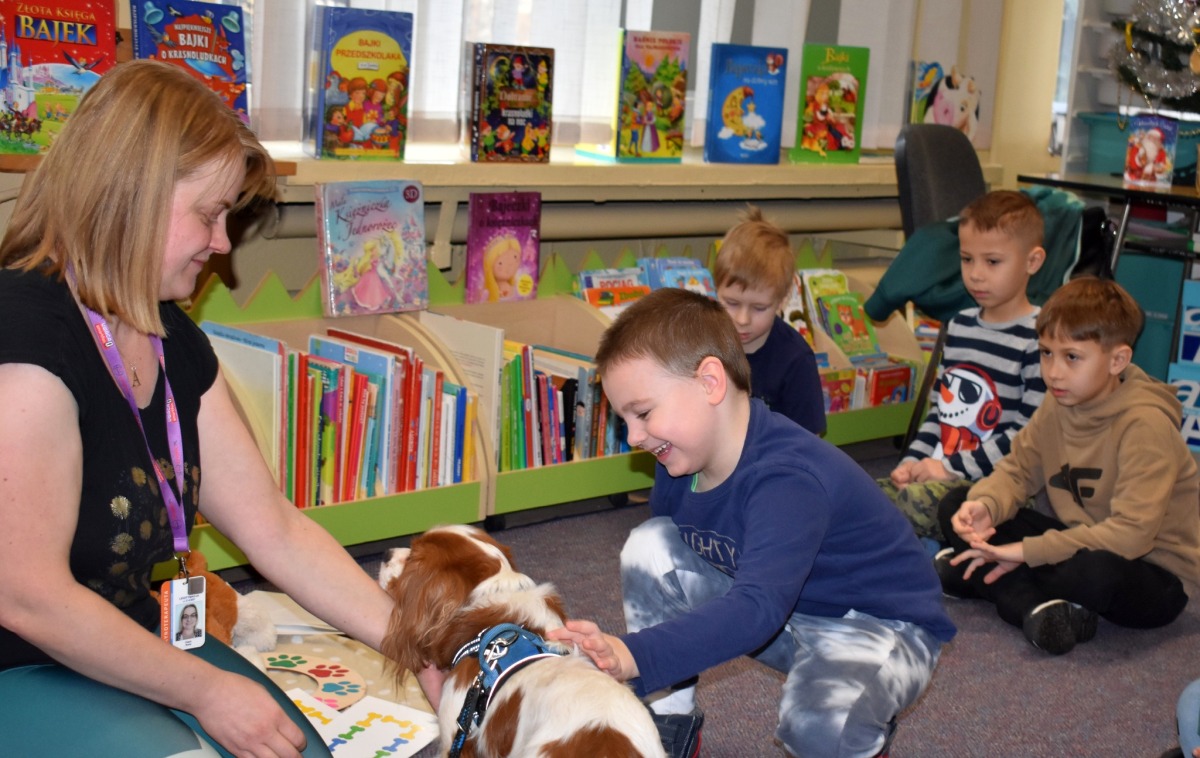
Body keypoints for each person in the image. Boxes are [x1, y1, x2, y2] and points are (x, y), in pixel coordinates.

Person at [0, 60, 441, 757]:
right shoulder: (25, 339)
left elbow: (275, 530)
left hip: (122, 632)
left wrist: (423, 652)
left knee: (299, 751)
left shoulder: (169, 336)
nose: (223, 243)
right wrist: (205, 690)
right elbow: (27, 597)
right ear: (130, 196)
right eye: (209, 214)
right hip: (20, 658)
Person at [547, 288, 956, 758]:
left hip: (882, 627)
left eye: (642, 413)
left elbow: (757, 607)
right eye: (624, 420)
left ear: (710, 382)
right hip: (788, 610)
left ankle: (858, 721)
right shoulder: (679, 462)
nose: (634, 436)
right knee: (651, 544)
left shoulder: (787, 478)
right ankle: (669, 717)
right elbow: (747, 603)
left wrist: (635, 654)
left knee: (819, 728)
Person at [936, 277, 1200, 655]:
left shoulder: (1146, 425)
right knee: (957, 503)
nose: (1054, 372)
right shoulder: (1058, 401)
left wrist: (1026, 552)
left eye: (1072, 357)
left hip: (1152, 573)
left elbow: (1131, 537)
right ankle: (1035, 605)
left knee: (1092, 575)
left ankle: (996, 585)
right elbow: (1018, 471)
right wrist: (986, 506)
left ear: (1117, 360)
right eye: (1046, 353)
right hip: (1078, 541)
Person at [880, 190, 1047, 546]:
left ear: (1032, 262)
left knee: (911, 505)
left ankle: (926, 554)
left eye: (992, 262)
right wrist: (913, 462)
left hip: (994, 487)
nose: (976, 275)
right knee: (864, 493)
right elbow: (940, 412)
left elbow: (1028, 437)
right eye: (967, 259)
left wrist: (950, 468)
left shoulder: (1040, 338)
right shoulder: (959, 326)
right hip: (941, 470)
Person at [713, 205, 825, 435]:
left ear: (782, 300)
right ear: (716, 290)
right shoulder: (704, 341)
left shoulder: (796, 360)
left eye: (759, 308)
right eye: (731, 303)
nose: (742, 319)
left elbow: (806, 442)